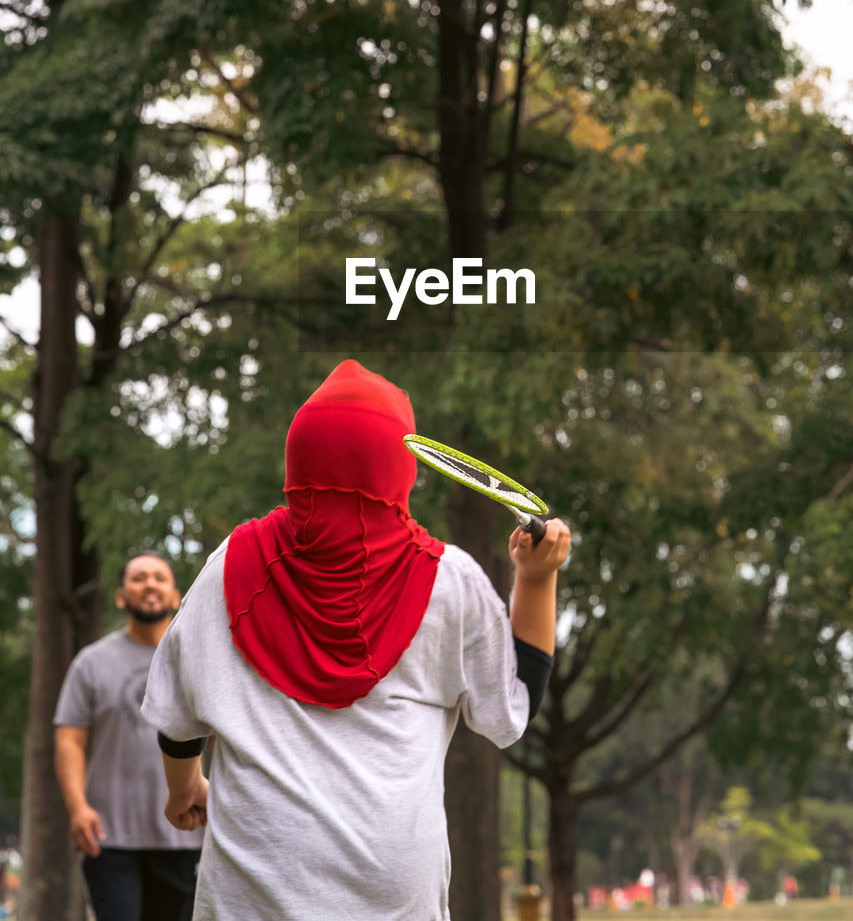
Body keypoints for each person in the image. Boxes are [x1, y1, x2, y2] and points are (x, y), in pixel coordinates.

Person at [142, 359, 571, 921]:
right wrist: (537, 579)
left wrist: (184, 789)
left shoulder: (231, 567)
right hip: (392, 902)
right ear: (404, 464)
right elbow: (514, 704)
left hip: (251, 898)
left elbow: (177, 722)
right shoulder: (449, 581)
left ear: (297, 461)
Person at [54, 553, 204, 921]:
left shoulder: (197, 660)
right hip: (110, 836)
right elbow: (70, 740)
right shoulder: (91, 663)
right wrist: (77, 808)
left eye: (158, 577)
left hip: (186, 833)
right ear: (121, 596)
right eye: (138, 578)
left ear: (175, 595)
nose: (149, 583)